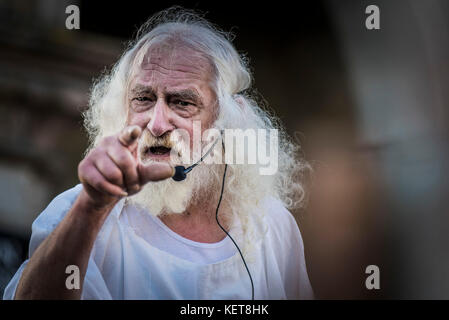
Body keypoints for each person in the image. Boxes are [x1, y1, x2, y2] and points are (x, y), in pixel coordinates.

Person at [4, 7, 313, 300]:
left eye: (182, 102)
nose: (158, 123)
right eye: (143, 98)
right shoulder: (76, 211)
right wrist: (91, 209)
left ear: (227, 123)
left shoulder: (271, 224)